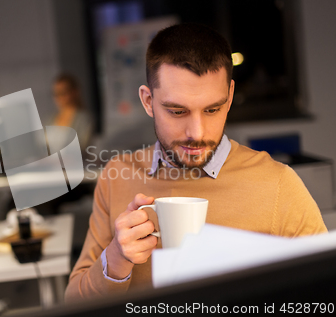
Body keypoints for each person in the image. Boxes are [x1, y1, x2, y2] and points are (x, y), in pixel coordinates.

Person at [64, 23, 327, 300]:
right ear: (148, 101)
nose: (197, 133)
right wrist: (116, 259)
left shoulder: (278, 185)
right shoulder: (117, 176)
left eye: (212, 109)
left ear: (229, 99)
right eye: (178, 111)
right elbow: (74, 302)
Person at [51, 73, 93, 150]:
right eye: (56, 94)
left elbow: (83, 147)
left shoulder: (84, 119)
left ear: (74, 92)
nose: (59, 97)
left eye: (63, 93)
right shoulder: (50, 119)